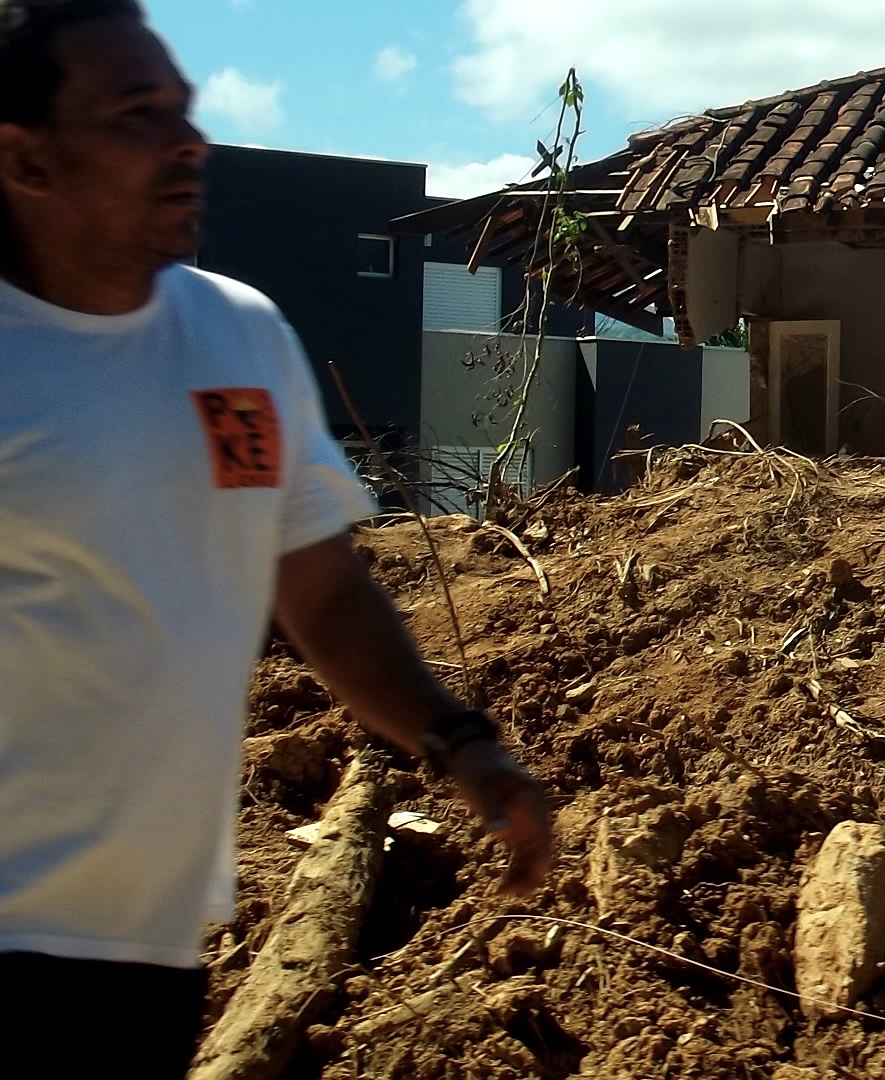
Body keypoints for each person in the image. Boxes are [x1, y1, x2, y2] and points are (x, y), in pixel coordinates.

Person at [0, 1, 554, 1074]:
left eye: (183, 107)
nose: (185, 140)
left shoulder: (238, 337)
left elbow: (321, 589)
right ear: (26, 160)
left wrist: (458, 742)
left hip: (149, 950)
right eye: (134, 115)